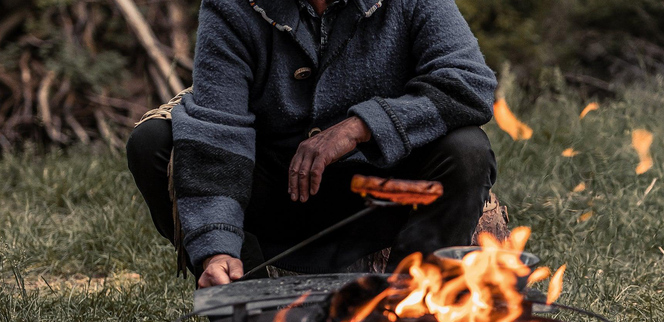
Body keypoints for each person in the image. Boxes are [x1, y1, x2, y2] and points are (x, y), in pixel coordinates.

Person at [127, 0, 498, 288]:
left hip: (381, 194)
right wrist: (216, 244)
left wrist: (361, 126)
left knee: (467, 149)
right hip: (274, 193)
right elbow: (217, 127)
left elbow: (470, 83)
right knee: (153, 142)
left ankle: (405, 313)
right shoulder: (231, 6)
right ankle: (247, 320)